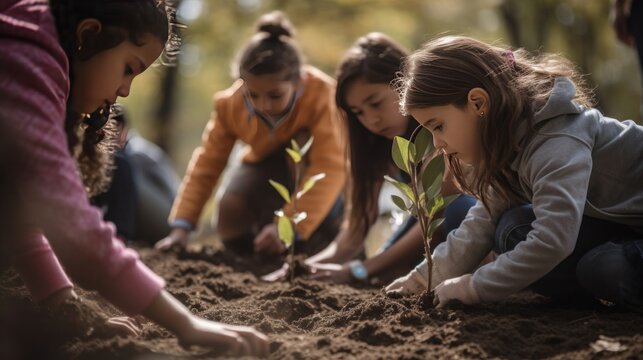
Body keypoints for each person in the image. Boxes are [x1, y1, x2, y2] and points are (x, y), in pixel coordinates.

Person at [0, 0, 268, 356]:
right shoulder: (28, 63)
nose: (125, 91)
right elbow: (74, 231)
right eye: (128, 68)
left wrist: (70, 309)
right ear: (88, 34)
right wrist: (185, 324)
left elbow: (22, 220)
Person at [385, 35, 643, 313]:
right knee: (513, 230)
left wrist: (474, 287)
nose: (437, 144)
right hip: (624, 227)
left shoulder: (556, 139)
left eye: (438, 126)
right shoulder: (509, 142)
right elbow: (480, 225)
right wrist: (421, 280)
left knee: (602, 268)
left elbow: (552, 240)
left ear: (477, 103)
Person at [263, 33, 476, 284]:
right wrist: (303, 268)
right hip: (426, 231)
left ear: (404, 84)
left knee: (455, 211)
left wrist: (360, 270)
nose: (371, 120)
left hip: (463, 226)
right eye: (358, 112)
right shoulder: (378, 144)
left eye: (375, 103)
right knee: (380, 272)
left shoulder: (441, 134)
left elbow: (432, 223)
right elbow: (352, 235)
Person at [156, 11, 346, 257]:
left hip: (316, 179)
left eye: (275, 95)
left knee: (300, 145)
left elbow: (330, 166)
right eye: (252, 94)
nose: (263, 105)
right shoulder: (229, 105)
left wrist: (287, 226)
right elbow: (207, 164)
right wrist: (181, 227)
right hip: (262, 168)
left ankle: (316, 238)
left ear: (299, 81)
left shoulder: (322, 95)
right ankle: (252, 254)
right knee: (230, 207)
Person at [93, 104, 180, 244]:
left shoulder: (138, 152)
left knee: (120, 166)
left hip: (169, 218)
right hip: (150, 218)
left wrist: (182, 221)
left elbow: (172, 187)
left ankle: (119, 236)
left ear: (122, 129)